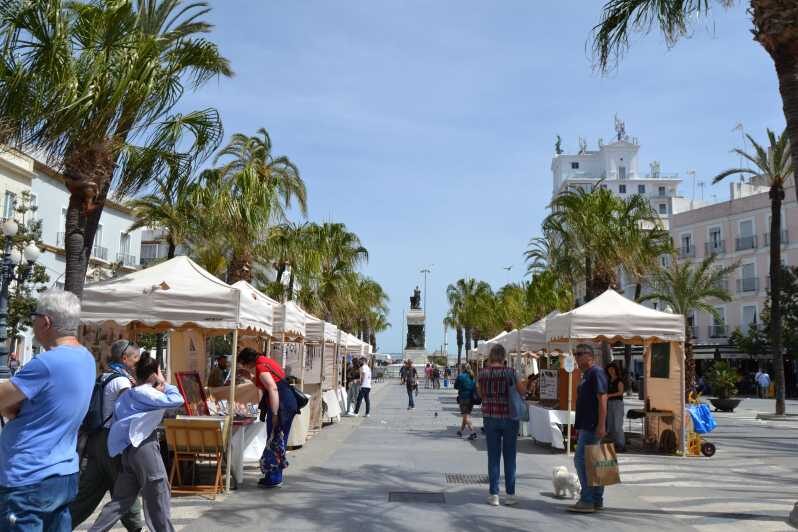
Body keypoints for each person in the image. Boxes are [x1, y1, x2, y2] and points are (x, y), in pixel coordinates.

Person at [0, 290, 95, 530]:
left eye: (34, 317)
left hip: (28, 474)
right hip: (63, 472)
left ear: (46, 322)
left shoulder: (46, 363)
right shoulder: (86, 358)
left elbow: (4, 401)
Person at [88, 354, 184, 532]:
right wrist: (166, 384)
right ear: (154, 374)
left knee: (120, 501)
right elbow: (177, 400)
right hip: (145, 446)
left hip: (127, 449)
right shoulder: (147, 393)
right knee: (158, 493)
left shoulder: (129, 394)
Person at [70, 340, 144, 531]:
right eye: (135, 358)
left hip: (96, 440)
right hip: (112, 441)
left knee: (88, 492)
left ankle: (61, 525)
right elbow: (129, 413)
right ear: (125, 358)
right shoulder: (122, 381)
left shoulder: (104, 376)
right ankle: (137, 528)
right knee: (126, 488)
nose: (138, 362)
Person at [237, 348, 298, 488]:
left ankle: (275, 477)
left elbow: (272, 388)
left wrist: (275, 413)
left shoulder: (260, 366)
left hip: (281, 405)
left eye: (243, 364)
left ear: (248, 361)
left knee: (275, 438)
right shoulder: (266, 362)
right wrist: (250, 377)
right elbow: (268, 384)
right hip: (286, 403)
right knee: (276, 439)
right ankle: (272, 475)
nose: (244, 366)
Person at [477, 344, 527, 507]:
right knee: (510, 456)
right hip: (509, 418)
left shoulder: (483, 373)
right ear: (503, 357)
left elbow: (481, 394)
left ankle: (494, 495)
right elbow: (522, 392)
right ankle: (510, 495)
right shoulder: (510, 372)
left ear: (491, 356)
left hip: (490, 417)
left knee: (493, 456)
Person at [569, 344, 608, 514]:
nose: (576, 357)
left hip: (592, 426)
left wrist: (601, 424)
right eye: (575, 354)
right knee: (595, 463)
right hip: (587, 425)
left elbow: (603, 400)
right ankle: (596, 499)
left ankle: (587, 499)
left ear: (589, 356)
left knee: (581, 461)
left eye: (579, 354)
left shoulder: (596, 373)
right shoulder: (586, 375)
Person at [605, 363, 625, 453]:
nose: (611, 371)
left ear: (616, 370)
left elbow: (621, 392)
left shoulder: (619, 380)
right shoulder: (608, 380)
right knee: (611, 424)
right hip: (609, 403)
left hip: (617, 403)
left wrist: (609, 395)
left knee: (617, 425)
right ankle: (614, 444)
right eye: (609, 369)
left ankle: (621, 444)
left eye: (612, 369)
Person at [454, 363, 477, 440]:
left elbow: (455, 386)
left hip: (463, 398)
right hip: (471, 398)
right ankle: (460, 431)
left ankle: (473, 432)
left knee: (466, 416)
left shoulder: (461, 376)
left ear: (463, 368)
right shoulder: (472, 376)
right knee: (466, 415)